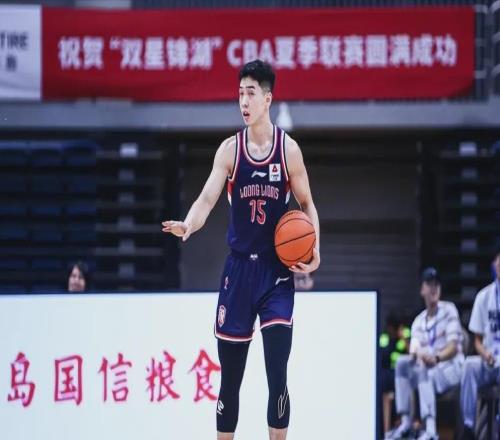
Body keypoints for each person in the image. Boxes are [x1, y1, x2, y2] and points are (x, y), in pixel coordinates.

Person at [162, 59, 320, 440]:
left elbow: (307, 204)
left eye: (250, 94)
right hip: (238, 273)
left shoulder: (288, 151)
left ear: (268, 99)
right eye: (239, 94)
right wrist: (189, 224)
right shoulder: (230, 150)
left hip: (276, 273)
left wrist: (315, 247)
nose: (243, 102)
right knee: (230, 380)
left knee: (277, 376)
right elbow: (206, 198)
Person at [385, 267, 464, 440]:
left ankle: (430, 429)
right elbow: (414, 348)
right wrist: (420, 354)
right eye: (430, 284)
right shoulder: (419, 321)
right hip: (429, 371)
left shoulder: (449, 310)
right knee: (402, 363)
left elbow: (453, 347)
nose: (434, 288)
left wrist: (436, 358)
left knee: (425, 369)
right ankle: (405, 422)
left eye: (437, 285)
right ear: (422, 290)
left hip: (451, 368)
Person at [460, 247, 500, 440]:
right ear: (494, 266)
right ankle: (468, 426)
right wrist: (484, 354)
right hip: (489, 359)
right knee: (469, 364)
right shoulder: (484, 297)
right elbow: (477, 340)